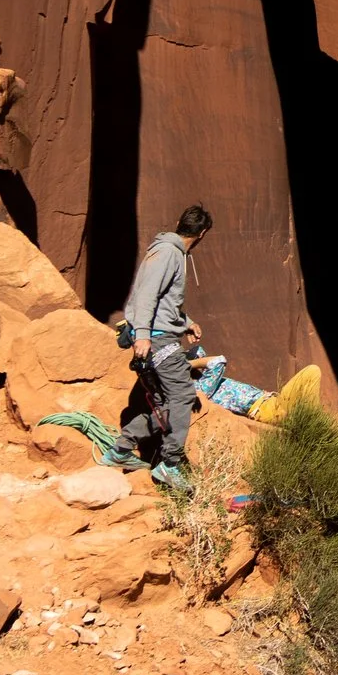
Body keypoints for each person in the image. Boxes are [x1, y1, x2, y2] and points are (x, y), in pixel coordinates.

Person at [108, 204, 212, 490]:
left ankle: (121, 449)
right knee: (184, 395)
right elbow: (147, 295)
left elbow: (166, 301)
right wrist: (143, 334)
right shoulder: (168, 253)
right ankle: (170, 464)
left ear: (179, 222)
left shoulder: (168, 251)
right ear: (202, 233)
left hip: (157, 334)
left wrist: (187, 322)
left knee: (167, 404)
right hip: (157, 339)